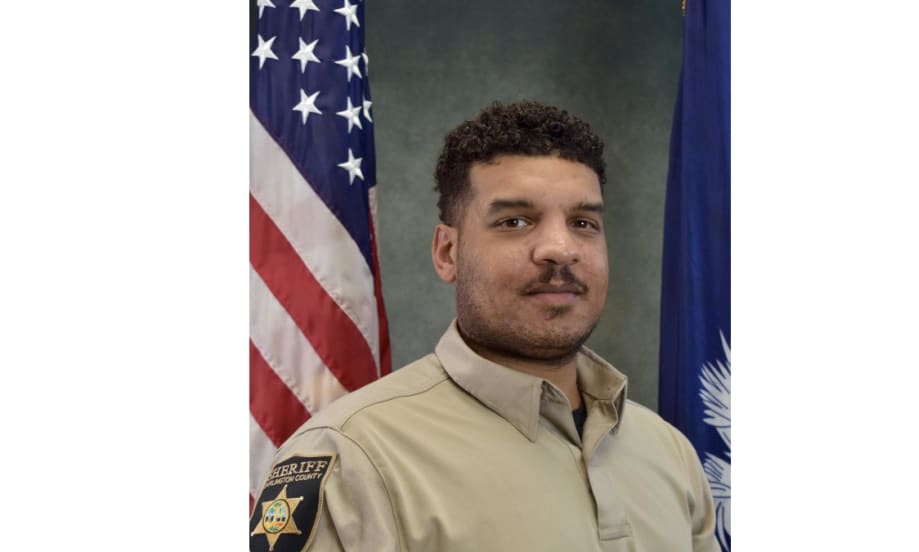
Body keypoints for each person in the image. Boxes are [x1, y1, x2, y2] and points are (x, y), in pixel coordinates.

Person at [249, 101, 720, 552]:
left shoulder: (669, 453)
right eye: (515, 221)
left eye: (583, 223)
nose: (560, 248)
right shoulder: (353, 459)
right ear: (447, 253)